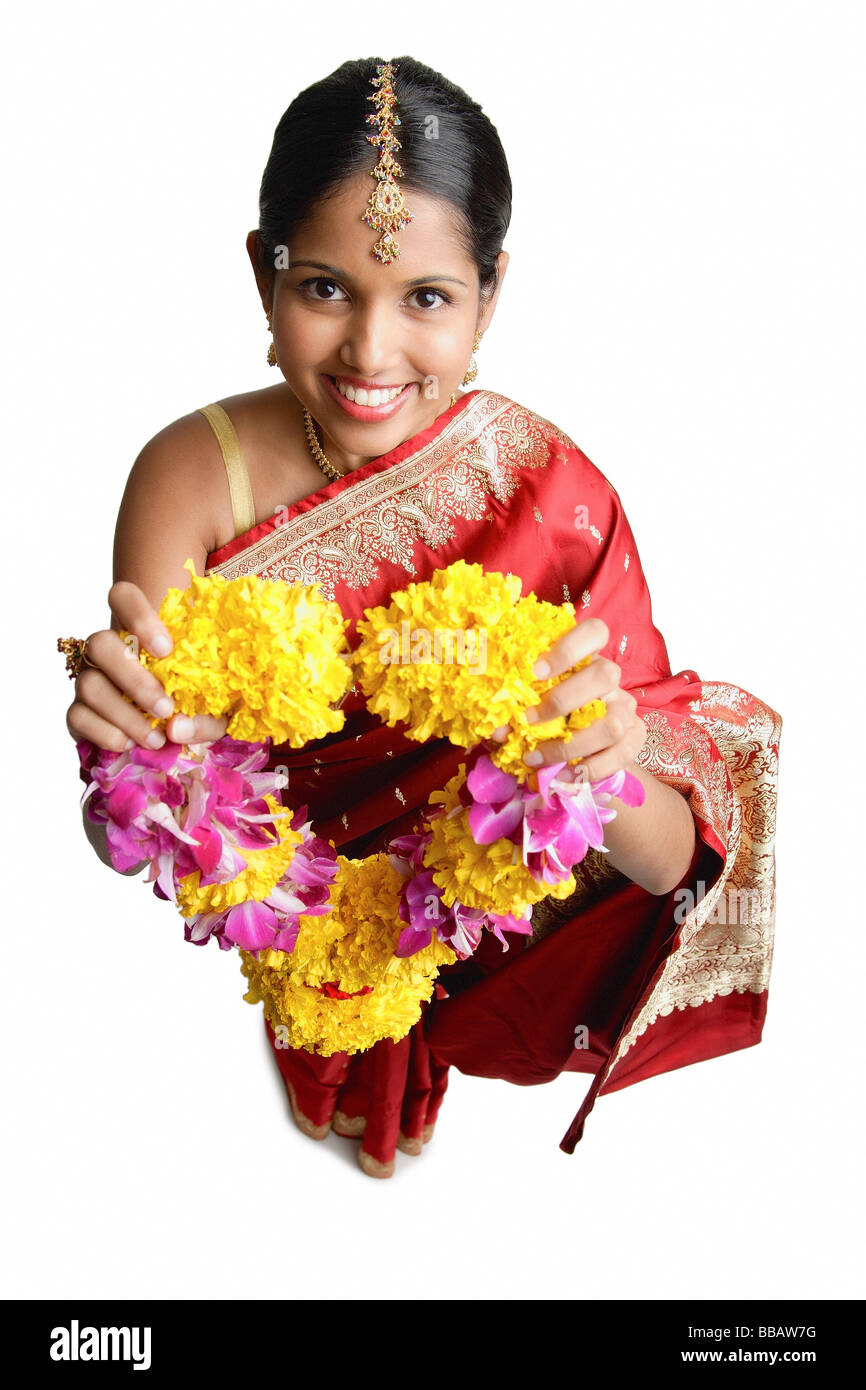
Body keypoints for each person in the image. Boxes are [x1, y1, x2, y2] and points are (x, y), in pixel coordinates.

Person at [64, 56, 782, 1179]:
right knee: (322, 1041)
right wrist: (115, 762)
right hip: (292, 918)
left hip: (485, 914)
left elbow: (670, 867)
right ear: (264, 275)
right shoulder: (185, 482)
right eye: (325, 288)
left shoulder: (541, 488)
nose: (370, 352)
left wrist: (605, 762)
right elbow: (147, 828)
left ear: (490, 294)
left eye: (428, 299)